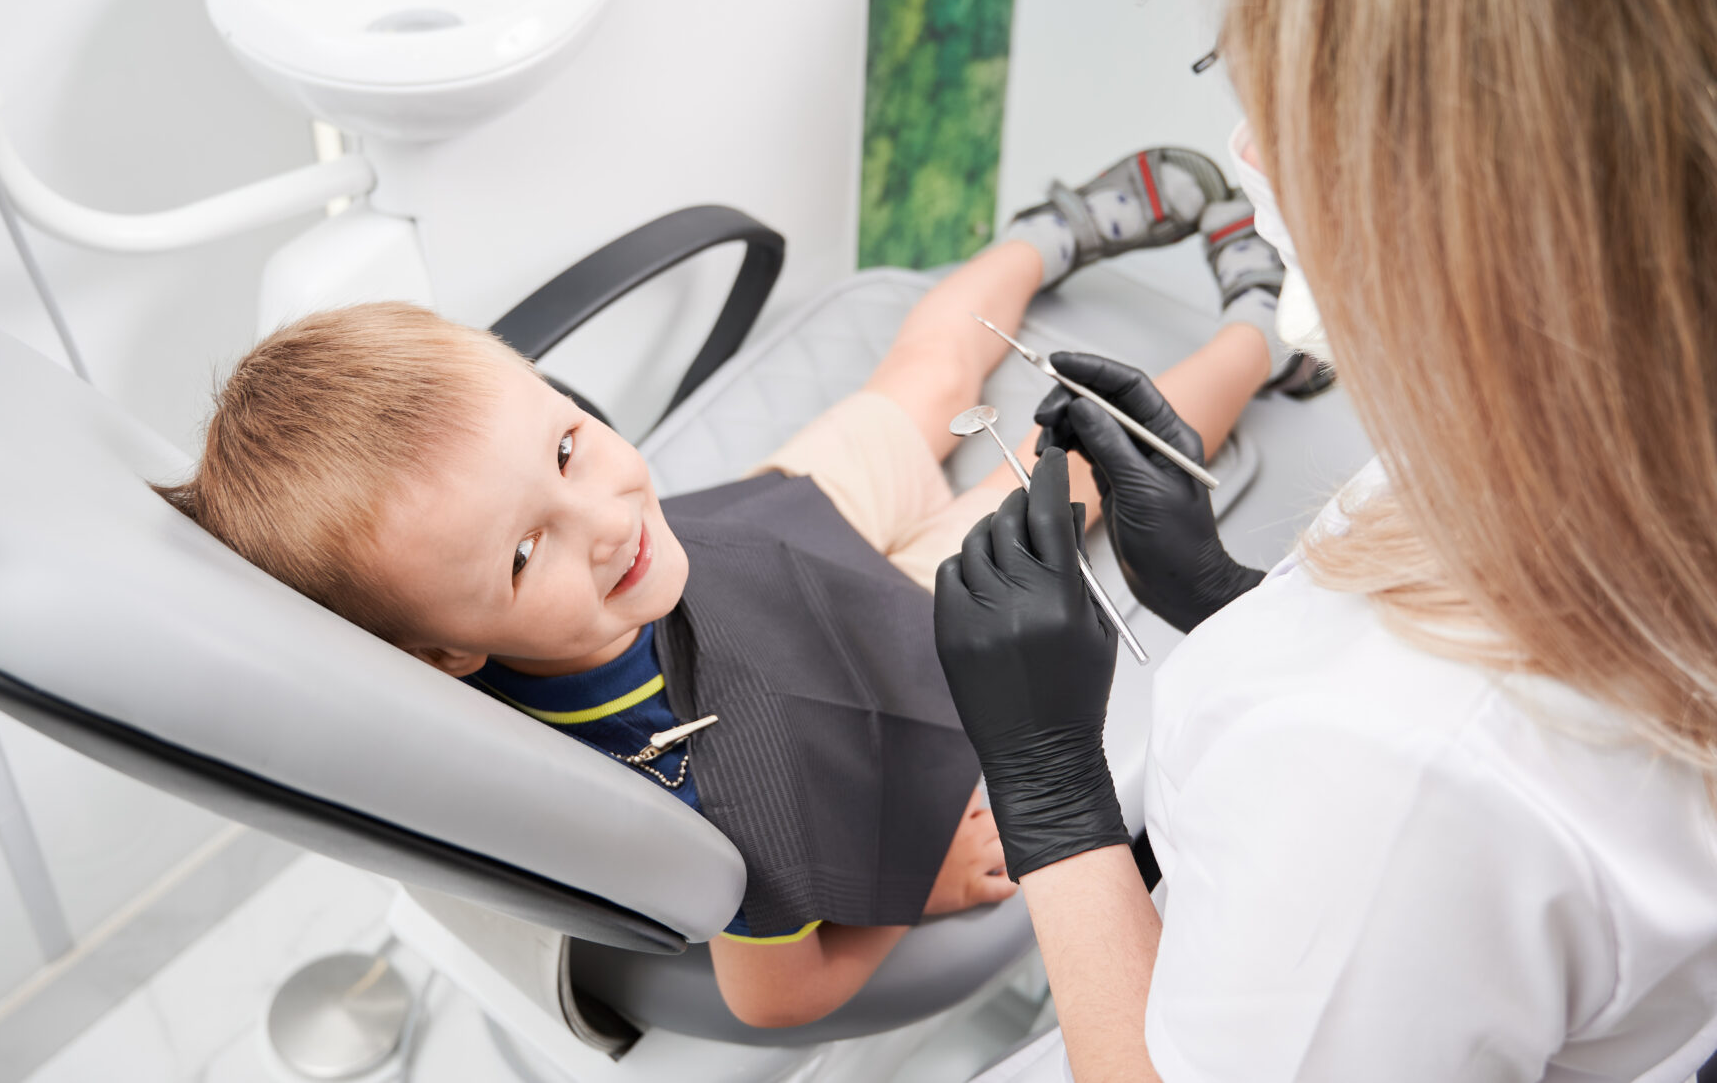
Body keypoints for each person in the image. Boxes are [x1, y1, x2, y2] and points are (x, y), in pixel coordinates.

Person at [156, 148, 1298, 1028]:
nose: (607, 522)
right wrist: (925, 894)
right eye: (522, 554)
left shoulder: (624, 552)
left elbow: (601, 523)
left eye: (565, 446)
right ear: (451, 651)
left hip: (772, 527)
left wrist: (555, 526)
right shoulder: (698, 789)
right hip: (905, 623)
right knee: (1093, 465)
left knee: (928, 368)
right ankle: (1268, 327)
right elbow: (774, 995)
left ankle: (1054, 232)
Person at [934, 0, 1717, 1078]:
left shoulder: (1397, 778)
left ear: (1463, 228)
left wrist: (1051, 790)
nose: (1244, 152)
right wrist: (1218, 596)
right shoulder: (1621, 422)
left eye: (1300, 114)